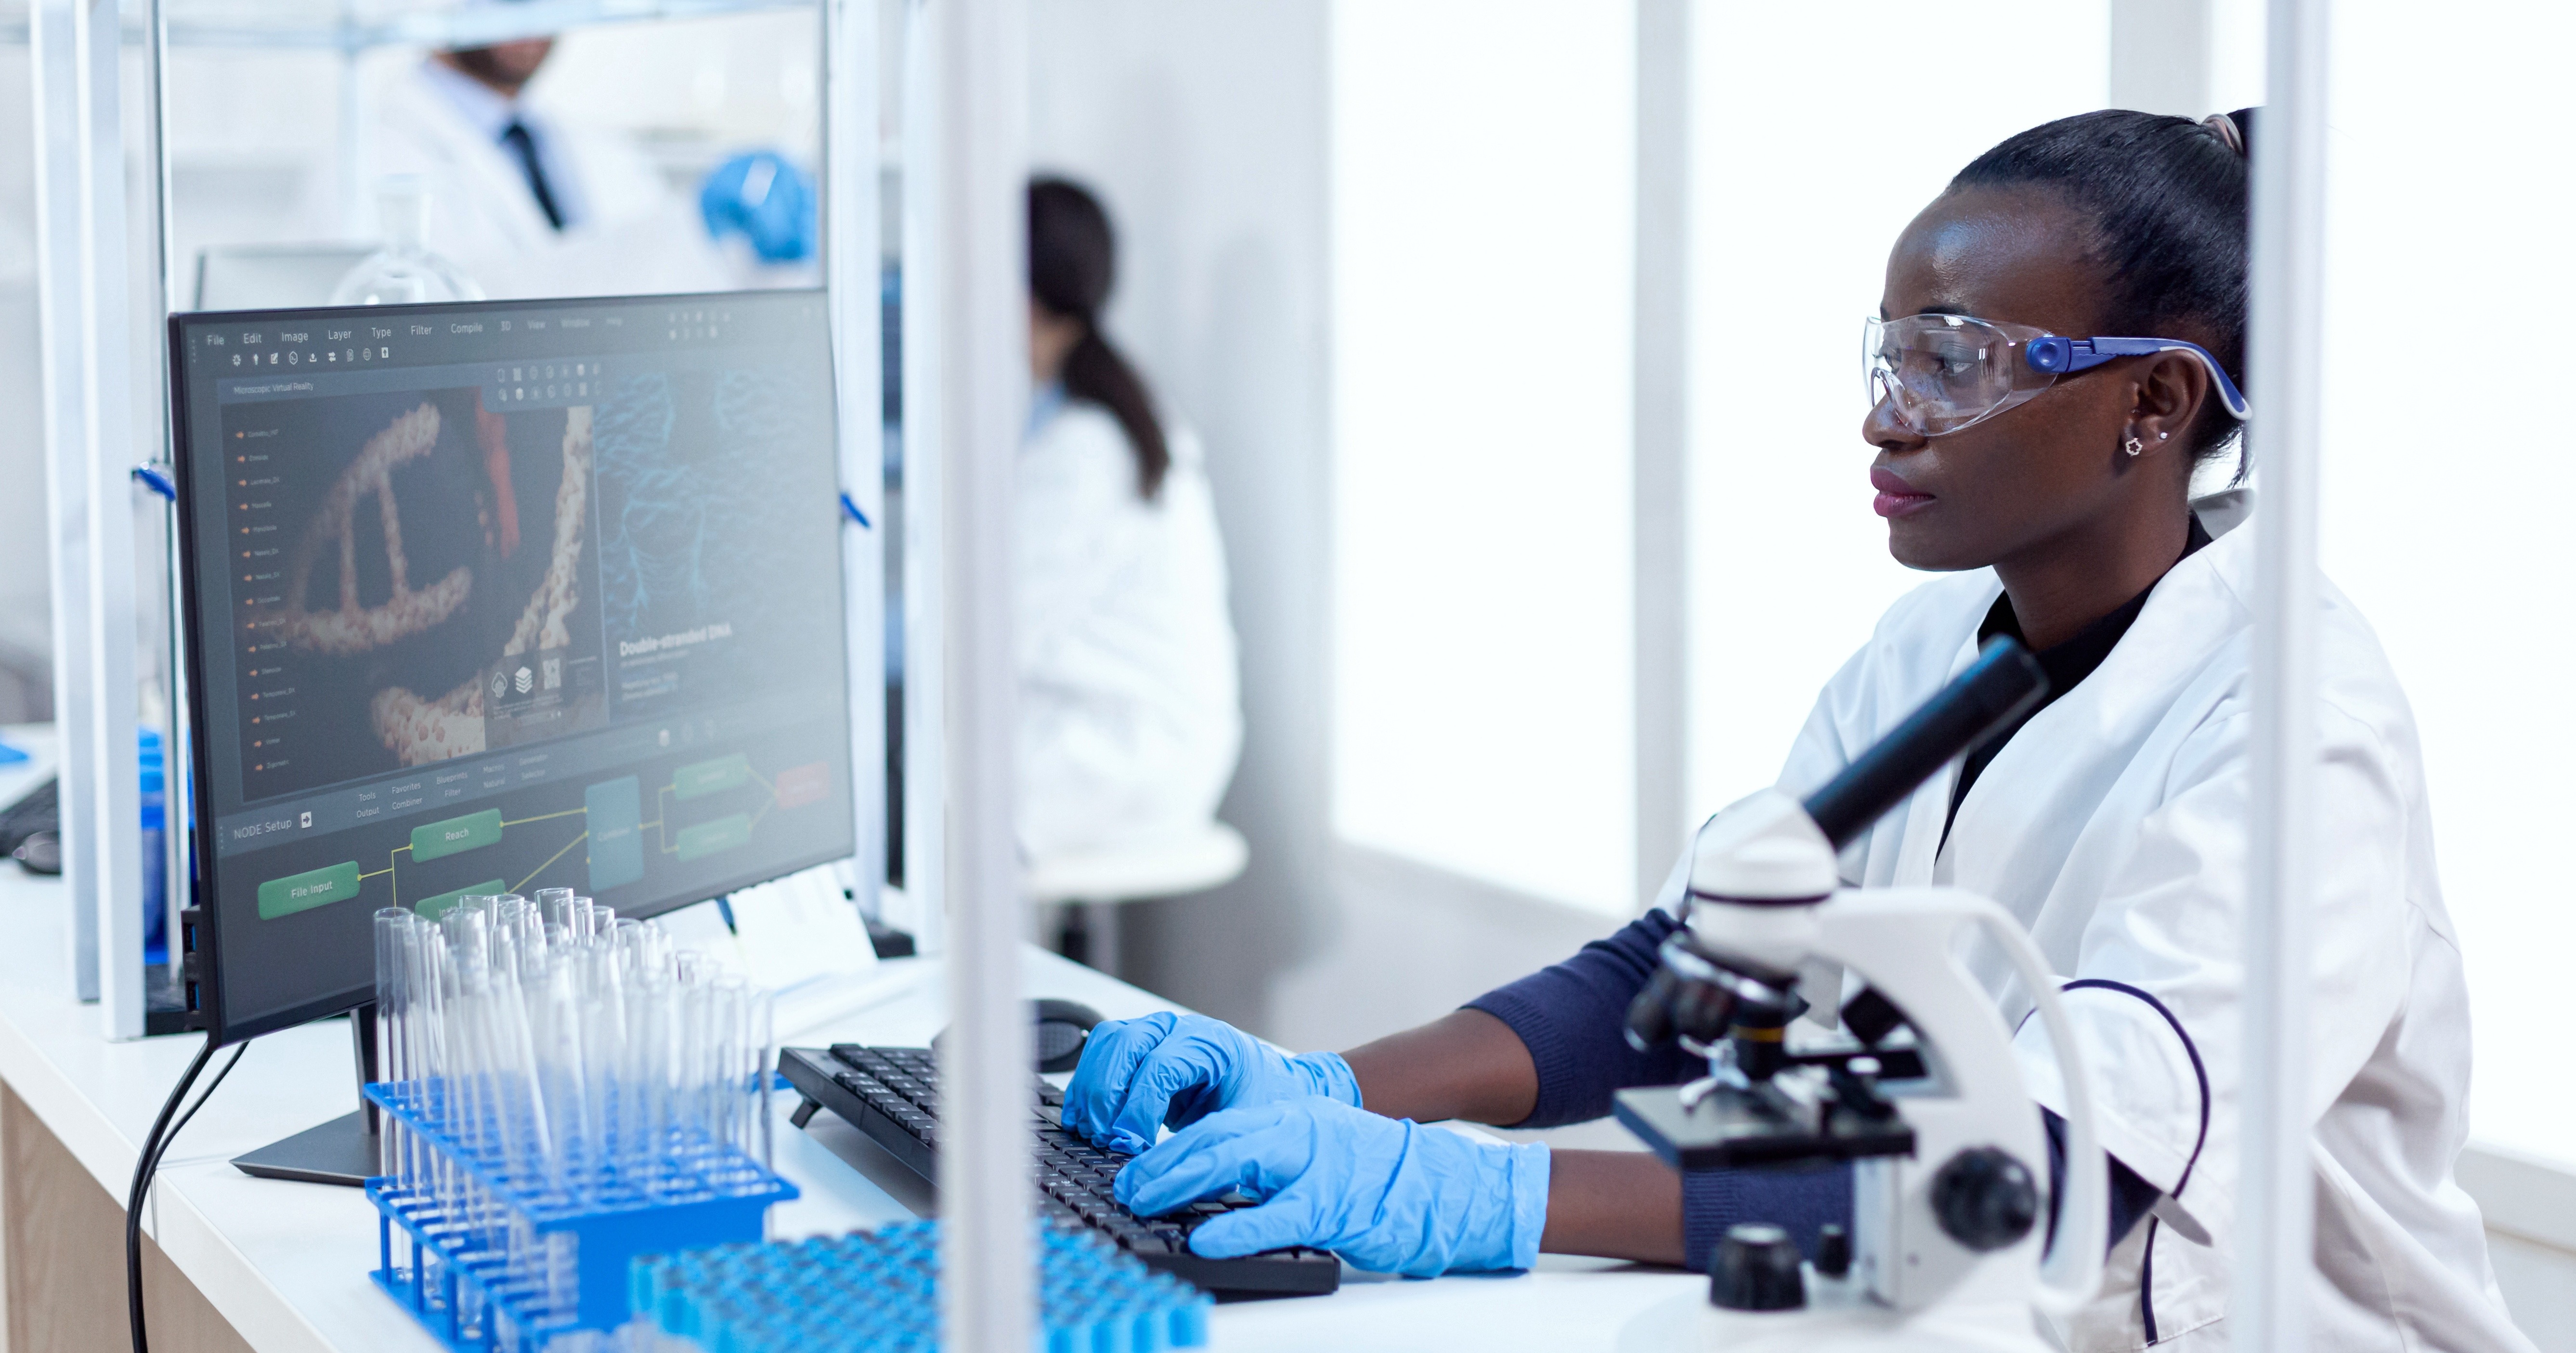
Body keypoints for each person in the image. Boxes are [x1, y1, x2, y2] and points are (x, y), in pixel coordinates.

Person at [1061, 111, 2533, 1353]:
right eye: (1884, 355)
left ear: (2150, 401)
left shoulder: (2289, 728)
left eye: (1952, 361)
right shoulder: (1928, 647)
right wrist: (1321, 1084)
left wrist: (1481, 1197)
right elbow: (1681, 965)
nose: (1885, 419)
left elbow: (2056, 1171)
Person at [1016, 179, 1243, 861]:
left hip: (1117, 759)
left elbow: (994, 631)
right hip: (1156, 747)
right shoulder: (1119, 414)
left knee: (923, 800)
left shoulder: (1083, 447)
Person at [364, 24, 814, 300]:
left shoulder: (591, 147)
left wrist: (751, 260)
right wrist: (692, 227)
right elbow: (474, 319)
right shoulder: (371, 159)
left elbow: (666, 303)